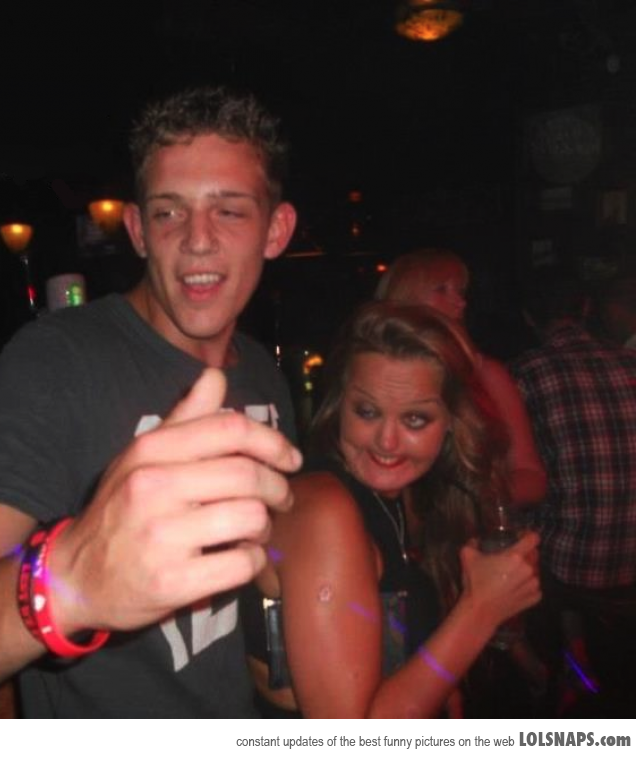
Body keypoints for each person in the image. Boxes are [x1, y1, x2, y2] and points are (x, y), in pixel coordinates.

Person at [0, 85, 302, 718]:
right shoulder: (60, 361)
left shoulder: (263, 374)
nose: (197, 240)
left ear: (276, 230)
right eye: (169, 213)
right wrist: (69, 581)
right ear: (138, 231)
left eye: (229, 211)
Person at [246, 302, 541, 718]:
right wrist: (481, 609)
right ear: (340, 404)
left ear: (451, 421)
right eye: (367, 412)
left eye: (415, 419)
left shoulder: (396, 499)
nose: (386, 441)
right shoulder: (322, 511)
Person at [511, 273, 636, 714]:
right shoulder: (630, 362)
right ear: (585, 309)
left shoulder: (524, 372)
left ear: (528, 318)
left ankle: (555, 667)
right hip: (629, 559)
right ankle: (575, 658)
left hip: (570, 567)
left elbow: (520, 479)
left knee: (522, 520)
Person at [375, 248, 546, 509]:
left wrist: (469, 501)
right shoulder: (377, 374)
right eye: (442, 289)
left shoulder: (485, 373)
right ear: (405, 297)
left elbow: (531, 476)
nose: (460, 302)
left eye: (461, 291)